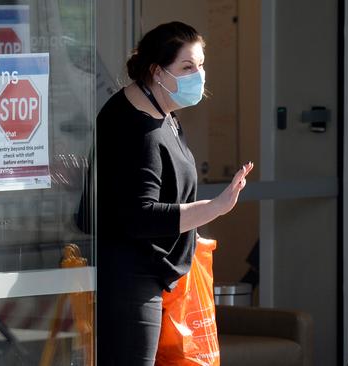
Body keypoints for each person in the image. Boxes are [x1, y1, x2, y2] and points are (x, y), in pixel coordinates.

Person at [94, 22, 253, 366]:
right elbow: (140, 217)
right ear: (157, 71)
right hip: (131, 283)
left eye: (201, 65)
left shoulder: (164, 114)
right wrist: (215, 207)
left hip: (157, 278)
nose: (199, 75)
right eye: (187, 67)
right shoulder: (138, 128)